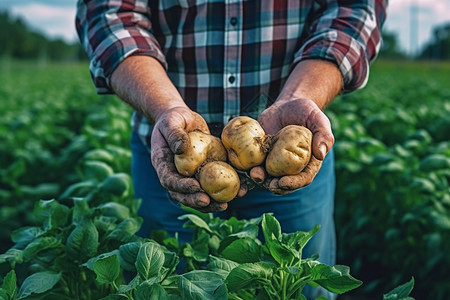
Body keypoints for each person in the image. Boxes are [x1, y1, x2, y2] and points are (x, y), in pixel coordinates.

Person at [76, 0, 386, 298]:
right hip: (167, 150)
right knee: (169, 285)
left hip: (289, 166)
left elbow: (354, 8)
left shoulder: (280, 150)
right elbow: (109, 12)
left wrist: (300, 95)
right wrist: (165, 108)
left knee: (297, 287)